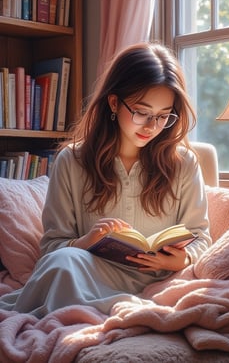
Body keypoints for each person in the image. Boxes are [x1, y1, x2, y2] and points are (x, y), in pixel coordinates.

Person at [0, 42, 211, 317]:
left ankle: (123, 309)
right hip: (87, 274)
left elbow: (202, 236)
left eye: (162, 117)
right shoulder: (72, 161)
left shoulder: (183, 163)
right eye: (141, 112)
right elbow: (51, 249)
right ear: (114, 102)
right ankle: (118, 311)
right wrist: (87, 241)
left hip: (158, 279)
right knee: (63, 261)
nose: (151, 127)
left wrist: (183, 258)